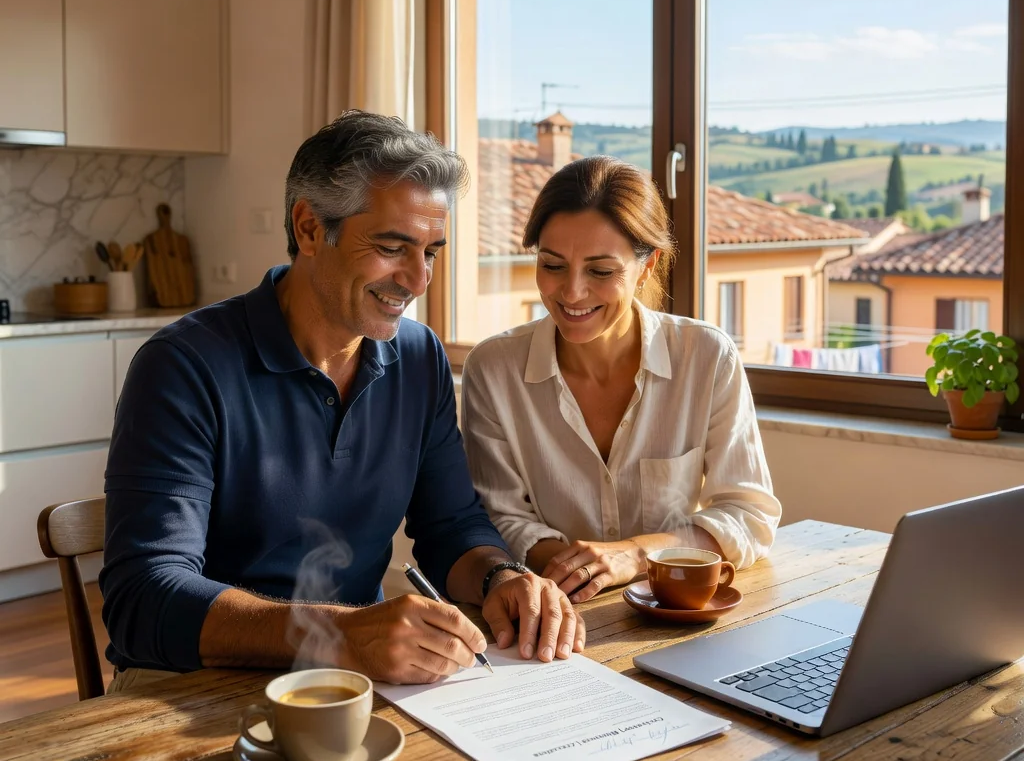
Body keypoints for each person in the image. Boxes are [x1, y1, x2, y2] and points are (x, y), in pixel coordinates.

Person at [101, 111, 584, 691]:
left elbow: (450, 525)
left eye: (431, 251)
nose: (418, 279)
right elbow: (143, 599)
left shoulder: (418, 356)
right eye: (391, 246)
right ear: (308, 228)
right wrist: (340, 635)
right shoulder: (183, 366)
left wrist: (499, 575)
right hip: (195, 684)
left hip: (358, 678)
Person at [461, 156, 781, 604]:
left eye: (601, 271)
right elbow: (498, 519)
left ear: (647, 267)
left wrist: (635, 555)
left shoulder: (705, 356)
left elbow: (750, 516)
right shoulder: (494, 368)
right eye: (552, 265)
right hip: (554, 611)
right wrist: (588, 572)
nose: (572, 293)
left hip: (674, 609)